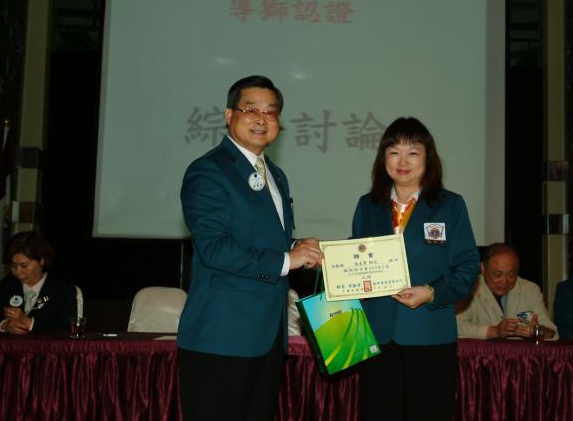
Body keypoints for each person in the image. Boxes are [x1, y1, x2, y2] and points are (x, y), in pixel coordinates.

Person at [177, 75, 322, 421]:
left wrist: (299, 248)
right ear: (229, 115)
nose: (261, 118)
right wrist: (288, 258)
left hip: (267, 335)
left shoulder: (276, 174)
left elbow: (265, 240)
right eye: (250, 109)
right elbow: (215, 248)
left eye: (270, 112)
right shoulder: (208, 171)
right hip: (222, 336)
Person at [351, 117, 480, 420]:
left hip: (429, 334)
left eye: (413, 152)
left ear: (428, 158)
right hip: (377, 337)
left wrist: (432, 292)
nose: (402, 161)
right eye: (394, 152)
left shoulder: (450, 205)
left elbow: (467, 267)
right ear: (383, 158)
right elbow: (356, 261)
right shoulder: (368, 206)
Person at [456, 243, 558, 340]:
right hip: (479, 352)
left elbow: (552, 333)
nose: (504, 281)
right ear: (483, 268)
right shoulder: (468, 288)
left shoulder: (530, 290)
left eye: (511, 274)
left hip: (520, 352)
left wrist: (537, 331)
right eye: (497, 274)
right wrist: (494, 331)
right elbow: (456, 326)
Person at [0, 230, 76, 334]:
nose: (18, 272)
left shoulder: (63, 291)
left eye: (24, 266)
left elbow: (67, 330)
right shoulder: (4, 287)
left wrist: (29, 322)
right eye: (13, 266)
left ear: (41, 260)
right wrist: (5, 325)